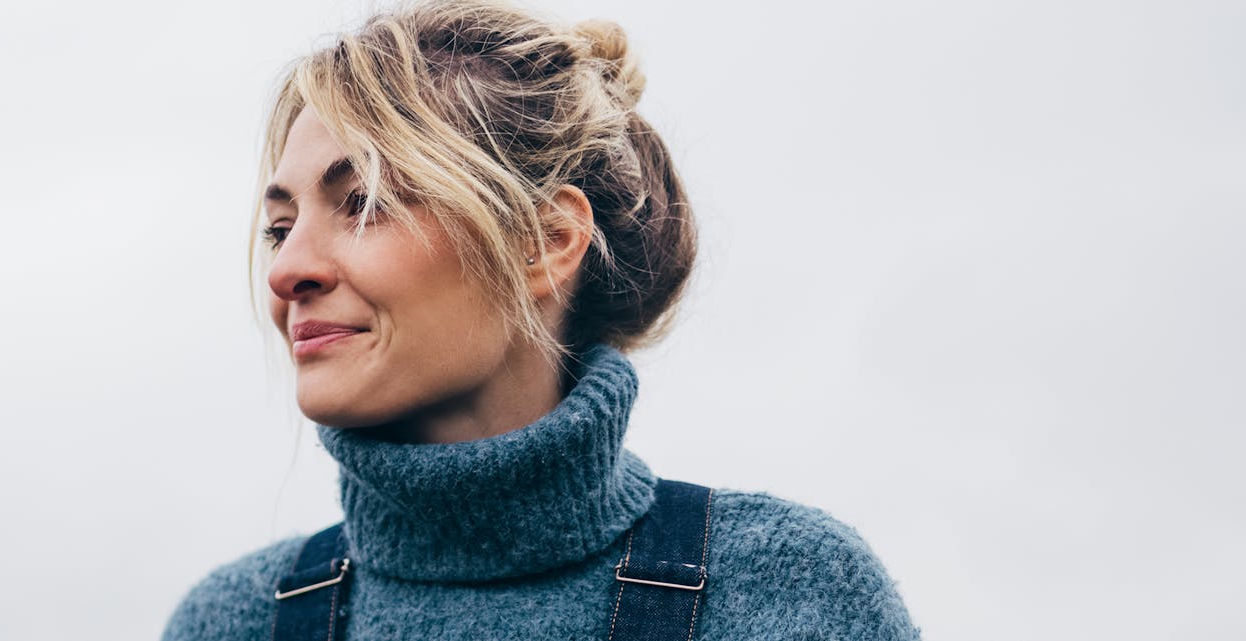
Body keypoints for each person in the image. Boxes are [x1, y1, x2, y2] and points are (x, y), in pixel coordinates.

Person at [160, 0, 921, 639]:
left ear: (547, 242)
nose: (288, 269)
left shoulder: (789, 594)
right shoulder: (232, 622)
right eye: (278, 227)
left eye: (365, 202)